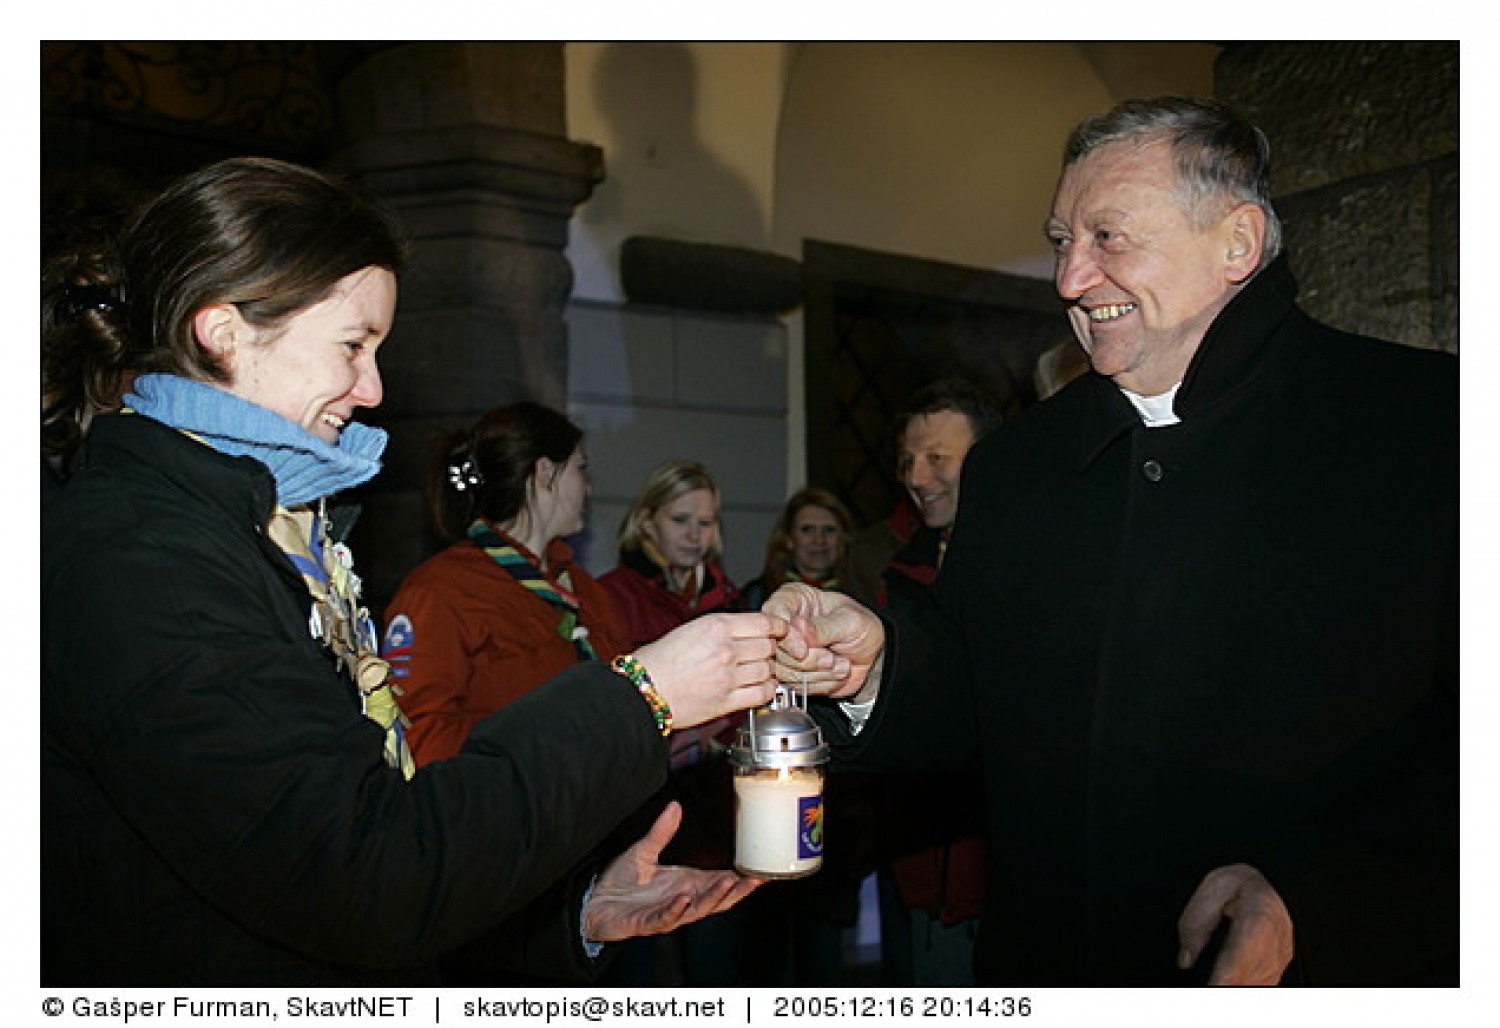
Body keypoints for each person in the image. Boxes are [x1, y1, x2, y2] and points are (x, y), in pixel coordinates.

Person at [40, 156, 785, 985]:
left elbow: (321, 888)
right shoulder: (145, 555)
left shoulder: (264, 525)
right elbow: (358, 876)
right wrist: (638, 698)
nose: (373, 387)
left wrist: (568, 918)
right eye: (354, 345)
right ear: (224, 332)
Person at [766, 96, 1457, 986]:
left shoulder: (1427, 427)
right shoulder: (1017, 465)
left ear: (1237, 244)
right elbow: (973, 697)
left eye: (1108, 237)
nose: (1068, 279)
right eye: (1061, 240)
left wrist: (1319, 897)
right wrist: (874, 669)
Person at [381, 402, 631, 768]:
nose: (588, 489)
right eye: (581, 469)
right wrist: (540, 752)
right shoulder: (440, 592)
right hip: (499, 813)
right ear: (545, 472)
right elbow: (419, 738)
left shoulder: (587, 593)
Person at [863, 377, 1001, 987]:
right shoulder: (902, 573)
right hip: (915, 860)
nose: (918, 478)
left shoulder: (1030, 564)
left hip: (1002, 865)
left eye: (938, 459)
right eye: (908, 461)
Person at [737, 486, 855, 611]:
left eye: (829, 530)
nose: (819, 540)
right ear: (788, 539)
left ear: (843, 538)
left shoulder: (860, 596)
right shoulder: (757, 596)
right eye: (807, 530)